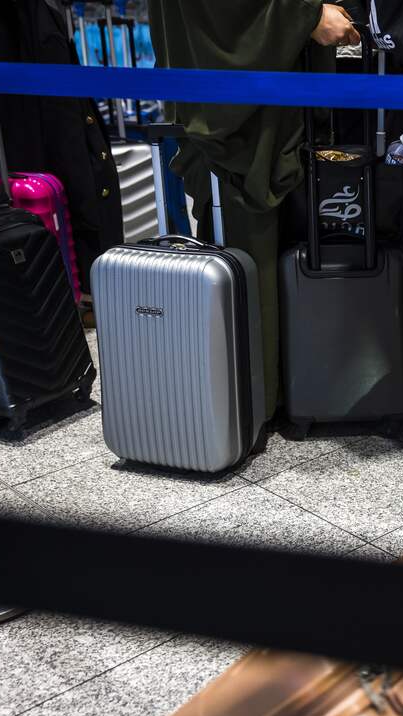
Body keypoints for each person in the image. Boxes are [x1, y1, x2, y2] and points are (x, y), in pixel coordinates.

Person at [148, 1, 360, 415]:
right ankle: (254, 399)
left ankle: (277, 390)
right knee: (244, 246)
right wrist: (306, 15)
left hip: (262, 102)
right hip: (243, 113)